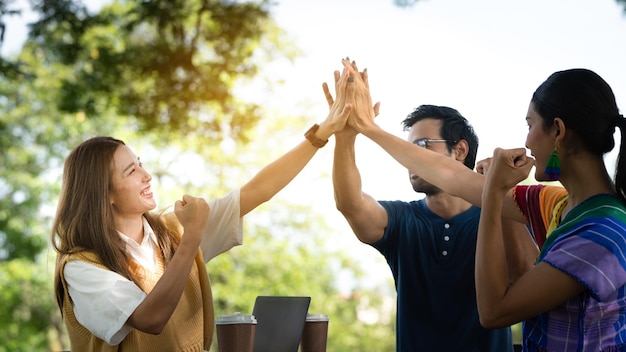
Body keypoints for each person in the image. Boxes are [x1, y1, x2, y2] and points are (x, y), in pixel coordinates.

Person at [50, 60, 356, 351]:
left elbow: (259, 190)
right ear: (104, 195)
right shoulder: (81, 267)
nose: (147, 176)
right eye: (132, 171)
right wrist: (192, 236)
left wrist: (322, 133)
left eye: (140, 164)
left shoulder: (172, 229)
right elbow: (150, 319)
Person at [345, 65, 626, 351]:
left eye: (530, 126)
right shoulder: (559, 204)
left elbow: (494, 311)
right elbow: (453, 176)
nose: (527, 141)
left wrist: (494, 191)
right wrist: (368, 128)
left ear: (558, 130)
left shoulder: (601, 233)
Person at [328, 63, 525, 350]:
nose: (409, 159)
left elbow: (526, 278)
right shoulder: (400, 219)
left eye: (421, 145)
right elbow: (350, 203)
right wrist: (345, 136)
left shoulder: (500, 217)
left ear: (459, 151)